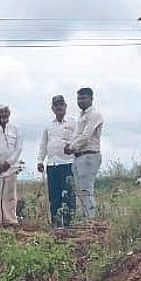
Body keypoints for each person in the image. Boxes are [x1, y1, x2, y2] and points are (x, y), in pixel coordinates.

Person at [63, 87, 104, 220]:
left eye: (83, 98)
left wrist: (72, 146)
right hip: (78, 156)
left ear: (91, 99)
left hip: (89, 155)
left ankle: (90, 220)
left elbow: (86, 136)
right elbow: (77, 135)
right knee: (80, 191)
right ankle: (85, 219)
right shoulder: (81, 116)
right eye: (79, 98)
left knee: (86, 190)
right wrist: (69, 145)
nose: (80, 101)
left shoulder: (95, 115)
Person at [36, 94, 76, 227]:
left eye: (61, 104)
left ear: (65, 106)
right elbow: (43, 145)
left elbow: (78, 141)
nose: (59, 107)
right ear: (52, 108)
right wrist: (40, 160)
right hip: (52, 165)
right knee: (54, 196)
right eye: (56, 105)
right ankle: (56, 223)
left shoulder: (72, 123)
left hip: (68, 163)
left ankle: (69, 223)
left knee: (68, 194)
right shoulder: (48, 126)